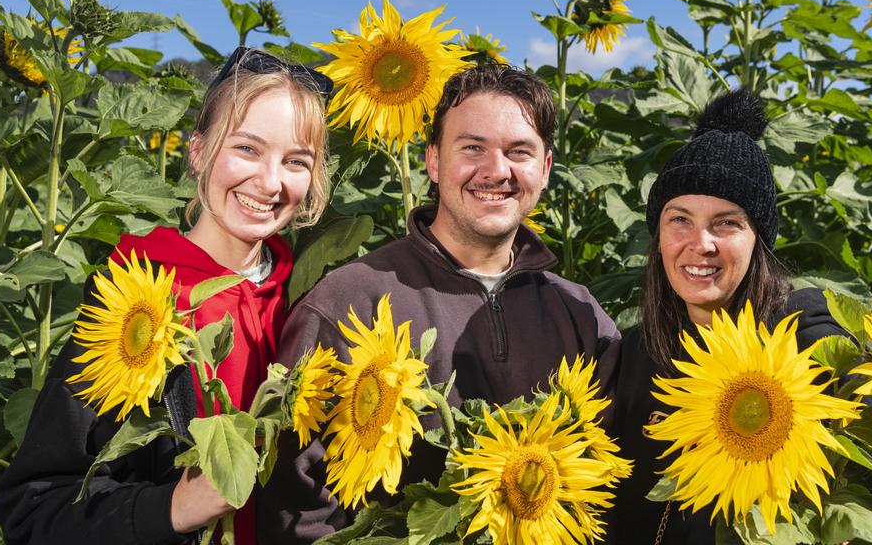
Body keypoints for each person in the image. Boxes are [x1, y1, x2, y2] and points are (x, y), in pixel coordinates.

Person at [260, 62, 621, 543]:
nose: (496, 170)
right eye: (472, 148)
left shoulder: (580, 314)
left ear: (546, 168)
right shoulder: (347, 302)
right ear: (432, 161)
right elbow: (293, 507)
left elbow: (614, 476)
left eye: (519, 152)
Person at [0, 47, 332, 545]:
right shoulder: (135, 301)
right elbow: (34, 506)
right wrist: (169, 509)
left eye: (296, 161)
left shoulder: (310, 299)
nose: (270, 181)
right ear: (198, 151)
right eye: (246, 149)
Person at [607, 89, 872, 545]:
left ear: (759, 241)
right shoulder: (636, 352)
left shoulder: (811, 340)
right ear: (658, 234)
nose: (700, 243)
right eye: (679, 219)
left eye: (727, 222)